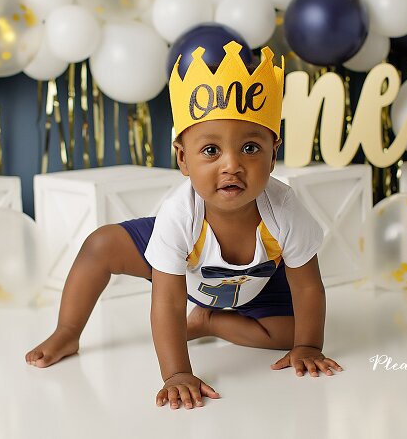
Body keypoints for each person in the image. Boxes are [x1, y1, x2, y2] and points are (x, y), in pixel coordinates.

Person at [26, 41, 344, 409]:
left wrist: (308, 345)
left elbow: (307, 287)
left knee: (291, 334)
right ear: (183, 159)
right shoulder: (179, 214)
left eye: (250, 148)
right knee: (101, 245)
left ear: (273, 155)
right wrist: (176, 372)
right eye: (211, 151)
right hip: (184, 270)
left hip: (258, 280)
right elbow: (168, 300)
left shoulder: (285, 209)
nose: (232, 165)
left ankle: (210, 321)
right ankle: (67, 331)